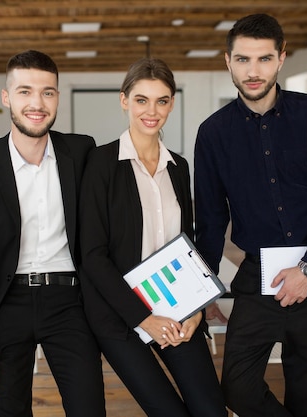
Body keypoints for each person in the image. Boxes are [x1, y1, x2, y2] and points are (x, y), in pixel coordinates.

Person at [194, 13, 307, 417]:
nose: (253, 72)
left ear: (281, 59)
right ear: (227, 61)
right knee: (237, 386)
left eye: (264, 59)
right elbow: (212, 219)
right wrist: (204, 289)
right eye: (243, 60)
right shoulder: (214, 132)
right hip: (257, 277)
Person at [0, 50, 106, 417]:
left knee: (89, 409)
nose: (37, 103)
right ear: (7, 98)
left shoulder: (82, 151)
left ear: (57, 97)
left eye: (47, 92)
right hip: (6, 305)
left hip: (70, 302)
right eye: (25, 92)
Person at [79, 57, 227, 417]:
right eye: (142, 99)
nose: (152, 110)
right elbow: (93, 256)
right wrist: (144, 318)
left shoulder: (179, 166)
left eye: (162, 100)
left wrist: (197, 310)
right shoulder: (99, 164)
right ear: (124, 100)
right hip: (121, 315)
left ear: (172, 104)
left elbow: (188, 242)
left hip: (176, 307)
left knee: (211, 410)